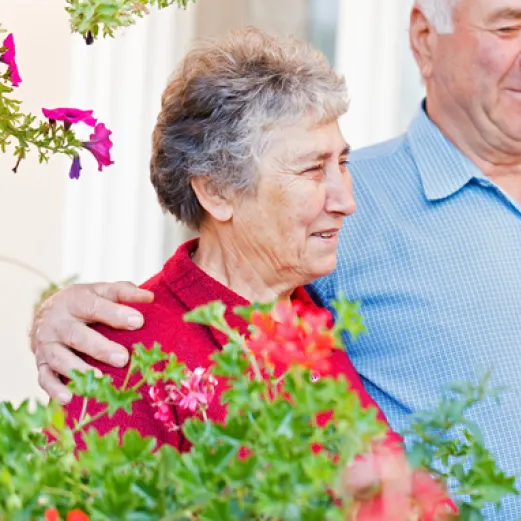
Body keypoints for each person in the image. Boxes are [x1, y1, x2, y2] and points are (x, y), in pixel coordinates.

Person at [31, 0, 521, 520]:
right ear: (424, 38)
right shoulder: (336, 231)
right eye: (507, 26)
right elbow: (206, 292)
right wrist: (53, 313)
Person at [61, 26, 399, 451]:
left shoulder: (308, 317)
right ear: (217, 191)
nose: (346, 200)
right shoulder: (128, 356)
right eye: (313, 169)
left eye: (342, 162)